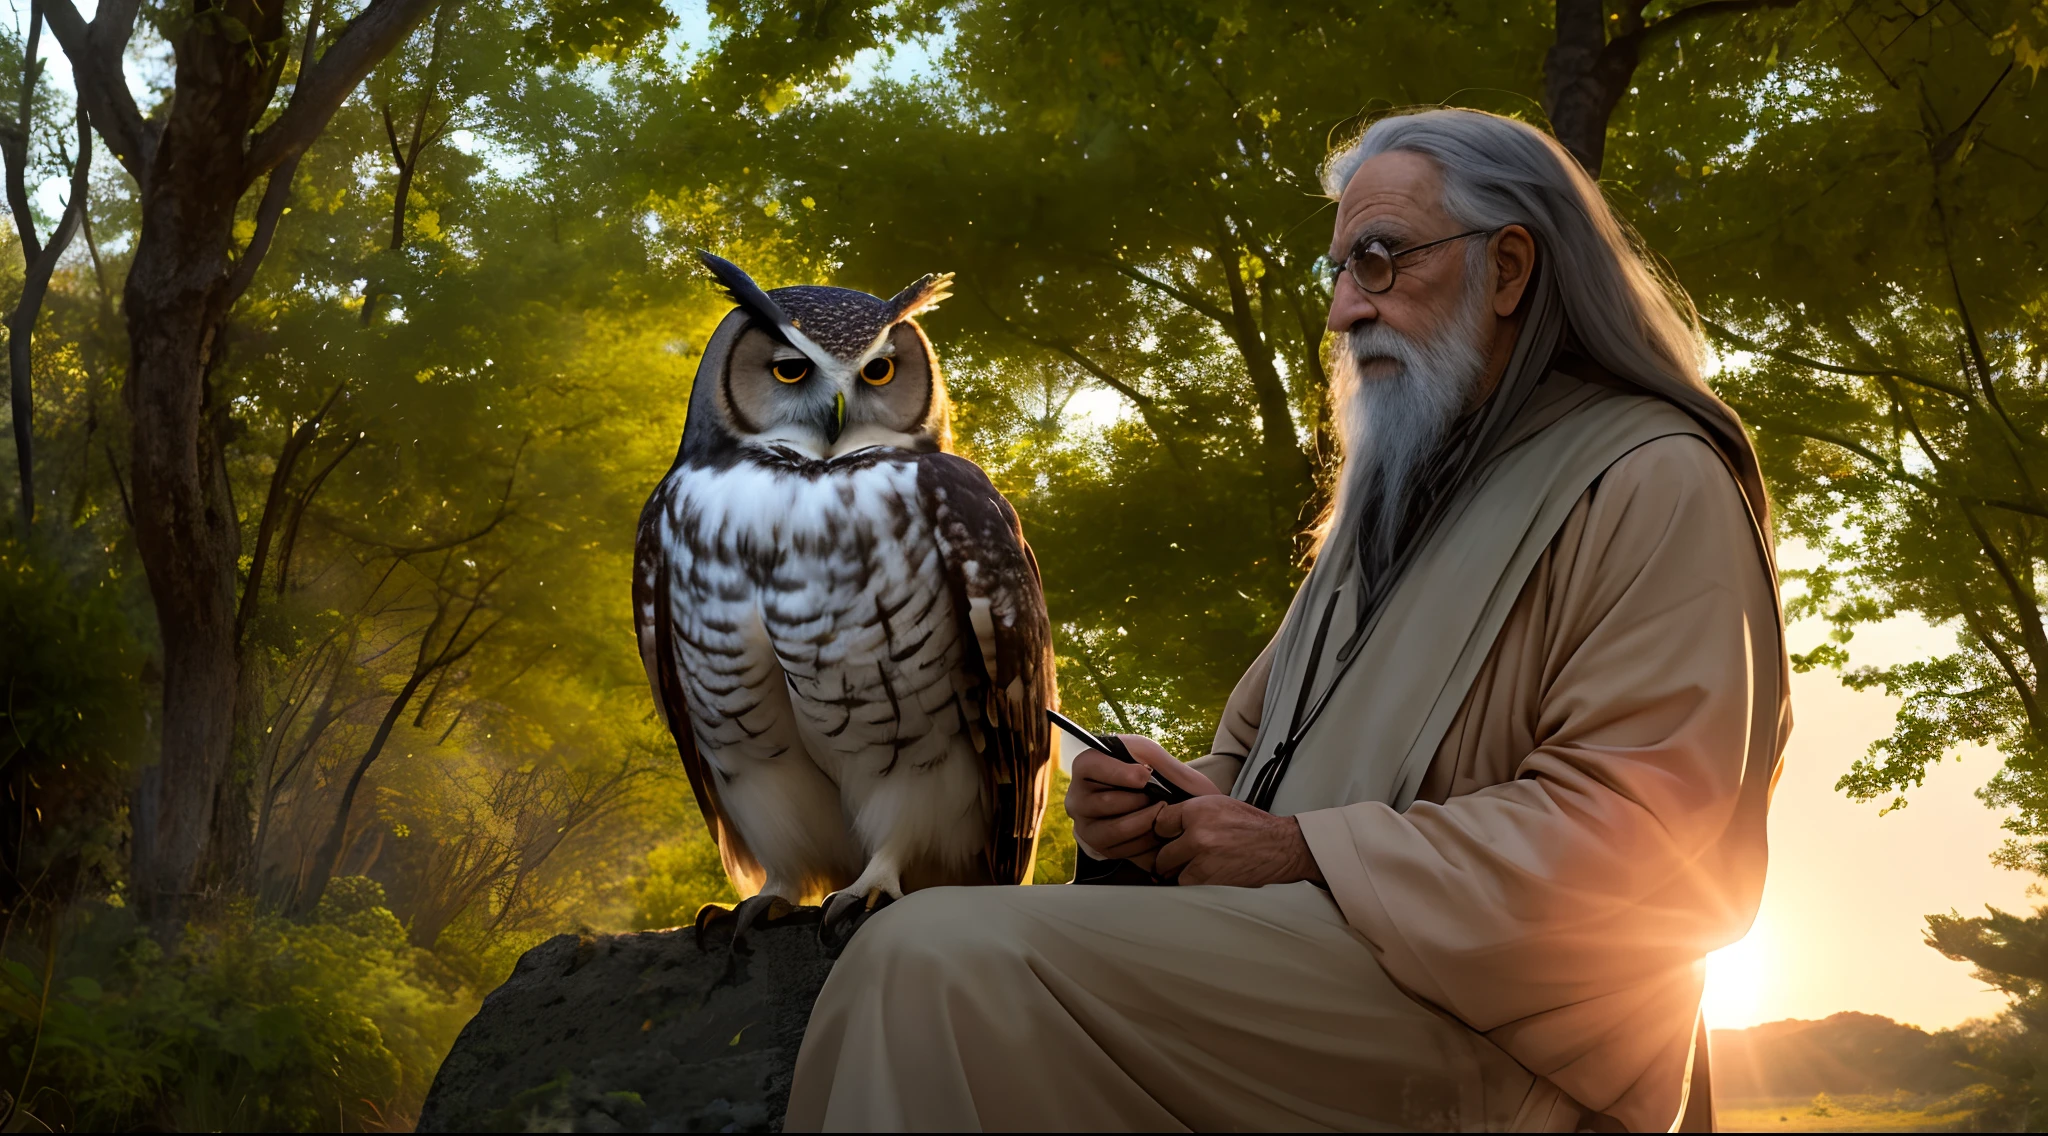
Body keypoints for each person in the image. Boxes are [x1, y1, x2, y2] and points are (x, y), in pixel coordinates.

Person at [785, 107, 1789, 1133]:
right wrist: (1154, 815)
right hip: (1311, 969)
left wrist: (1303, 851)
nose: (1343, 310)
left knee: (932, 960)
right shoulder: (1387, 508)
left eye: (1381, 260)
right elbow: (1249, 764)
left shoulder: (1650, 477)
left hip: (1506, 1044)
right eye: (1339, 271)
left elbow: (1666, 853)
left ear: (1508, 270)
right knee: (927, 953)